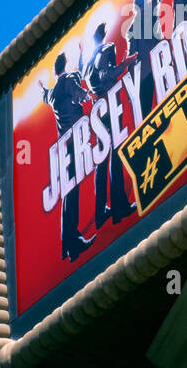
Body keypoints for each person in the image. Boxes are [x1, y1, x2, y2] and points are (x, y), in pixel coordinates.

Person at [40, 49, 92, 262]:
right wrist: (87, 96)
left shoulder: (52, 92)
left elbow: (45, 95)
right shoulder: (69, 80)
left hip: (64, 143)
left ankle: (68, 245)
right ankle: (73, 240)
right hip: (76, 137)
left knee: (70, 191)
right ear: (66, 64)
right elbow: (78, 91)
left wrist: (42, 87)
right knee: (73, 190)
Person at [83, 23, 137, 229]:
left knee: (103, 161)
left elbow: (93, 81)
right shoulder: (107, 49)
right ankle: (119, 207)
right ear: (103, 35)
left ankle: (101, 212)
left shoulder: (86, 62)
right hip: (109, 105)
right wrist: (125, 64)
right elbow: (107, 75)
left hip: (99, 109)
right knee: (114, 154)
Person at [126, 0, 167, 118]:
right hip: (158, 63)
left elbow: (131, 56)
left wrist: (133, 82)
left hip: (143, 73)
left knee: (145, 113)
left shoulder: (131, 28)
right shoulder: (150, 9)